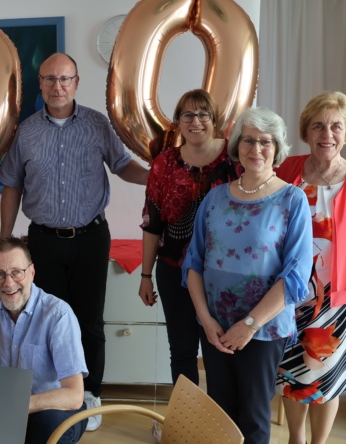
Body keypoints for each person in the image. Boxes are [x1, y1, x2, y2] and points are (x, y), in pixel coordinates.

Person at [0, 52, 148, 431]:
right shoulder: (26, 131)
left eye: (65, 79)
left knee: (89, 321)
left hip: (90, 237)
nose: (57, 86)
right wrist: (3, 240)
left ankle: (90, 393)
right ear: (41, 85)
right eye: (49, 79)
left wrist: (156, 177)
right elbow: (12, 184)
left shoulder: (98, 125)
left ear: (77, 83)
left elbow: (122, 166)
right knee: (45, 320)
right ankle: (54, 390)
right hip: (43, 241)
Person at [182, 107, 313, 444]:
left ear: (277, 148)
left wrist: (250, 325)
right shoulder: (214, 197)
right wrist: (205, 319)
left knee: (253, 420)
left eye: (265, 142)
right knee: (219, 416)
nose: (256, 149)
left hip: (264, 330)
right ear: (237, 145)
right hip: (215, 326)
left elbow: (296, 274)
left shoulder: (292, 199)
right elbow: (193, 264)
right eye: (249, 140)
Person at [274, 92, 346, 444]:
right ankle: (296, 439)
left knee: (327, 376)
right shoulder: (285, 170)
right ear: (306, 132)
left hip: (337, 302)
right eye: (318, 125)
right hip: (289, 296)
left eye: (336, 126)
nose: (327, 133)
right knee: (293, 373)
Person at [138, 89, 238, 386]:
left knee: (218, 348)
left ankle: (220, 424)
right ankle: (187, 422)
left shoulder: (235, 157)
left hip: (223, 274)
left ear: (214, 120)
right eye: (188, 115)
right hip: (173, 269)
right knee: (181, 350)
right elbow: (152, 223)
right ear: (178, 122)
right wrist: (145, 275)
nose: (196, 121)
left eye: (203, 114)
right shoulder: (164, 164)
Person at [0, 237, 88, 444]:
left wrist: (18, 405)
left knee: (47, 427)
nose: (9, 282)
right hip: (2, 408)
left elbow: (74, 395)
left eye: (16, 272)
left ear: (31, 272)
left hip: (52, 408)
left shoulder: (58, 314)